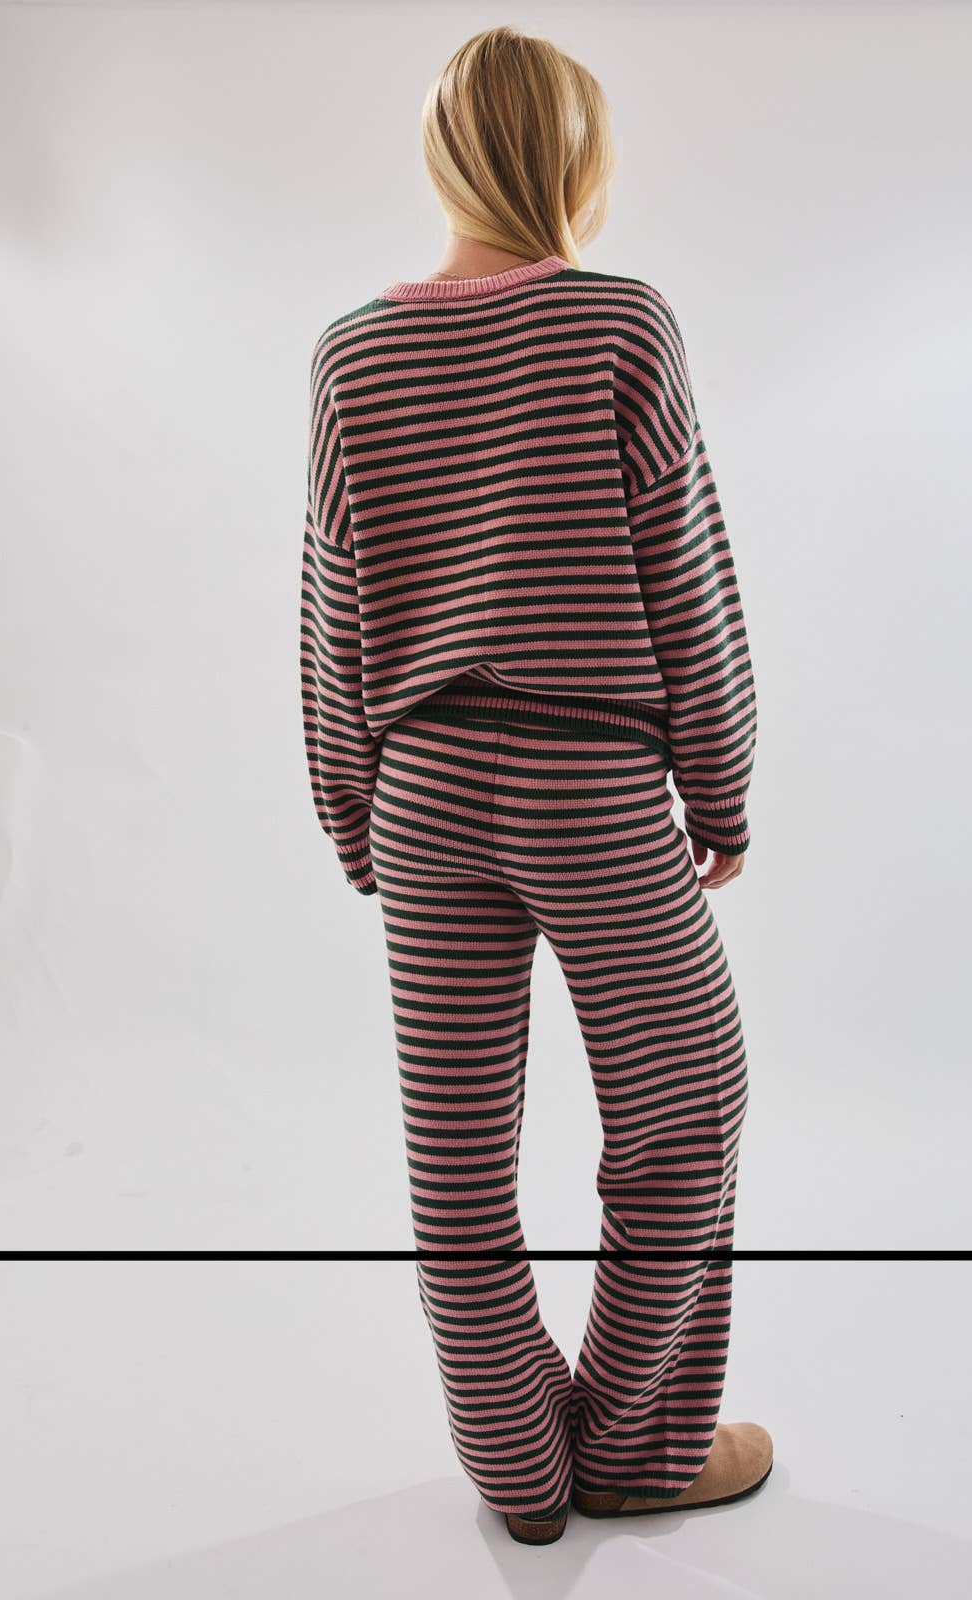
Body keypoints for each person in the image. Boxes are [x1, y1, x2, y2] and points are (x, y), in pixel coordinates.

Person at [299, 23, 771, 1547]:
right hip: (590, 781)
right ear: (575, 157)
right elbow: (685, 573)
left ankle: (519, 1473)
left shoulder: (351, 352)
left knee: (456, 1157)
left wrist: (353, 817)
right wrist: (722, 788)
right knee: (689, 1103)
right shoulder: (622, 322)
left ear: (445, 157)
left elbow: (333, 609)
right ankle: (632, 1443)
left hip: (423, 789)